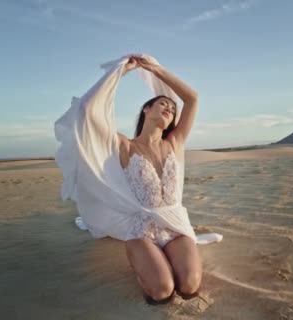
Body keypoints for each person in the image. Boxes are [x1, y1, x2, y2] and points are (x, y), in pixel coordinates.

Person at [117, 56, 202, 304]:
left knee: (189, 286)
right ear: (146, 109)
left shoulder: (175, 143)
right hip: (142, 230)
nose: (170, 108)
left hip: (175, 225)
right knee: (163, 290)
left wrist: (156, 69)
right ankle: (141, 262)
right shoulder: (124, 145)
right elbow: (92, 114)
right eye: (164, 103)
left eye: (172, 109)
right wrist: (123, 71)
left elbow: (192, 98)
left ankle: (167, 260)